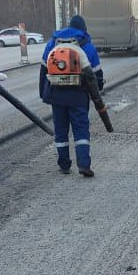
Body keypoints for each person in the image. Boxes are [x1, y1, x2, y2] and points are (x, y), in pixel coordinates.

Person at [40, 16, 104, 176]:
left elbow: (43, 70)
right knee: (81, 130)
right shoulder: (86, 45)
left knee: (60, 131)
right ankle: (83, 165)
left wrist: (44, 93)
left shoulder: (52, 43)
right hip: (78, 95)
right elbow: (96, 74)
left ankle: (64, 165)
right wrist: (97, 93)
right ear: (83, 29)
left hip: (56, 94)